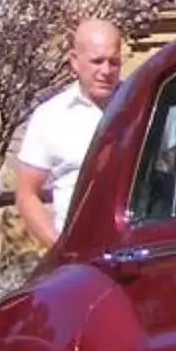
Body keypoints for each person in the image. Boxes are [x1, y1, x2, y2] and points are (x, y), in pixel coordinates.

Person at [12, 19, 125, 249]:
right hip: (81, 253)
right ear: (75, 61)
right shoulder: (50, 117)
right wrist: (59, 248)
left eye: (113, 62)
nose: (106, 71)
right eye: (97, 61)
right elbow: (26, 194)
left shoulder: (142, 104)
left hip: (139, 247)